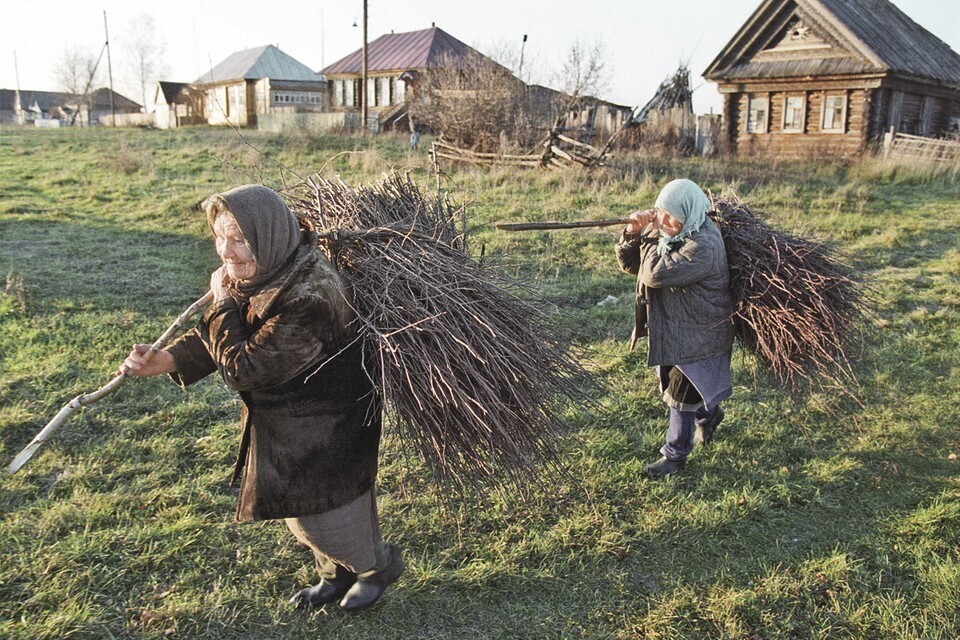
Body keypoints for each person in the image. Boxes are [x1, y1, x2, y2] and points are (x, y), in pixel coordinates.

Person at [120, 184, 403, 612]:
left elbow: (245, 366)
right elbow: (240, 327)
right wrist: (169, 359)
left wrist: (219, 304)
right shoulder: (269, 268)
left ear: (268, 233)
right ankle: (336, 574)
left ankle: (374, 568)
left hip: (328, 425)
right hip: (291, 421)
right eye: (219, 236)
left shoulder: (312, 295)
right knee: (300, 510)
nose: (226, 252)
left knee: (330, 517)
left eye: (239, 238)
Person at [615, 178, 735, 478]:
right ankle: (709, 413)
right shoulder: (675, 234)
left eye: (673, 216)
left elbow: (653, 274)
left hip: (700, 332)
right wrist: (632, 234)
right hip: (674, 326)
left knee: (680, 396)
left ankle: (675, 457)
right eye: (661, 212)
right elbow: (633, 268)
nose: (665, 221)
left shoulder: (703, 244)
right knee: (680, 386)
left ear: (690, 212)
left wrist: (651, 234)